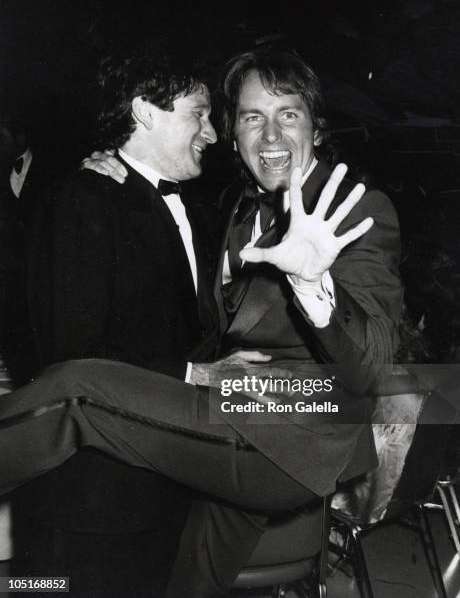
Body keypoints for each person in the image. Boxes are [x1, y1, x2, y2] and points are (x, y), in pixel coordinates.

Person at [1, 45, 402, 597]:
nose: (271, 136)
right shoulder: (233, 212)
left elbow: (375, 363)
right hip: (223, 425)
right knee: (180, 582)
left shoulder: (354, 208)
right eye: (250, 118)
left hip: (299, 424)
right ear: (235, 135)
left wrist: (314, 284)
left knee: (76, 394)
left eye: (289, 114)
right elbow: (206, 333)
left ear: (317, 126)